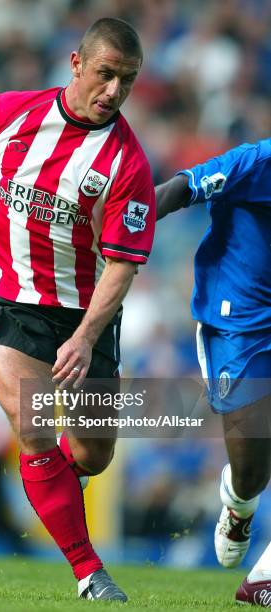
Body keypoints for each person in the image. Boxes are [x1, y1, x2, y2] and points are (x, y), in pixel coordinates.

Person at [0, 18, 155, 602]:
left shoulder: (128, 164)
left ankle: (54, 487)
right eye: (105, 74)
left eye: (127, 80)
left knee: (92, 455)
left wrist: (89, 334)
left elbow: (121, 264)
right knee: (36, 427)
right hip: (8, 301)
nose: (114, 91)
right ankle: (89, 572)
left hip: (83, 315)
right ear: (76, 64)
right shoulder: (13, 111)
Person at [156, 138, 271, 606]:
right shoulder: (258, 162)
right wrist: (120, 231)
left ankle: (262, 580)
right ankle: (239, 505)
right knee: (251, 472)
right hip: (241, 326)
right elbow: (181, 189)